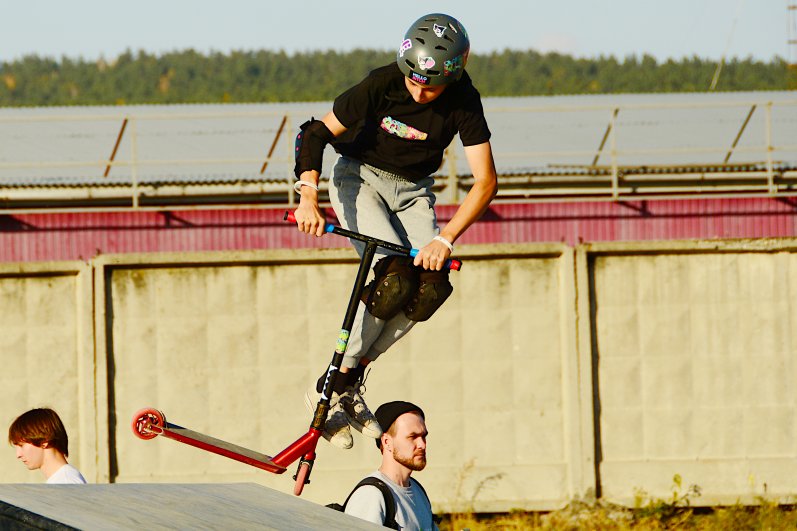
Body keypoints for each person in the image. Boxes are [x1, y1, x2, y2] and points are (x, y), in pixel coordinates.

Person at [293, 12, 498, 449]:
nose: (419, 90)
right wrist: (307, 194)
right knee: (394, 280)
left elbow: (486, 182)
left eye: (431, 84)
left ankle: (344, 381)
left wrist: (445, 240)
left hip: (414, 193)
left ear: (454, 74)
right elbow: (314, 133)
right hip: (359, 179)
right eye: (414, 79)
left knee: (429, 288)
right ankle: (328, 387)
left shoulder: (464, 99)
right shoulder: (381, 83)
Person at [344, 401, 436, 530]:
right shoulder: (371, 495)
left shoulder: (418, 491)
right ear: (387, 442)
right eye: (413, 437)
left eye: (423, 436)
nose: (422, 445)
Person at [8, 408, 87, 484]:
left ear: (44, 441)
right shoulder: (61, 480)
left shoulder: (65, 482)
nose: (18, 455)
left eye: (21, 446)